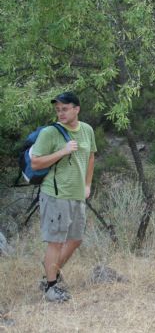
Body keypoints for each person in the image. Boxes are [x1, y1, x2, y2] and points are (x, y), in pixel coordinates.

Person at [31, 92, 96, 302]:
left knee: (75, 239)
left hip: (77, 195)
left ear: (76, 109)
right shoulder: (50, 133)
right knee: (56, 241)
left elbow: (91, 156)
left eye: (65, 108)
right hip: (55, 194)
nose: (61, 113)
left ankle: (51, 275)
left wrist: (87, 184)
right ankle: (51, 287)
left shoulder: (87, 130)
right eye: (58, 109)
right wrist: (62, 151)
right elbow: (36, 163)